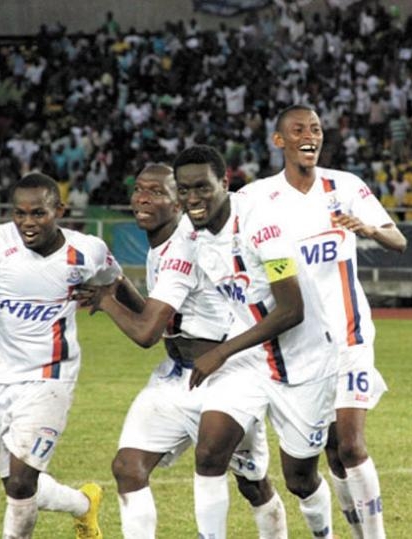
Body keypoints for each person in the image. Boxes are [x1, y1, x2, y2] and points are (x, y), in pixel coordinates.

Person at [75, 163, 288, 538]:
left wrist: (107, 301)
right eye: (139, 189)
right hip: (179, 374)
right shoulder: (161, 244)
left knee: (250, 484)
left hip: (230, 372)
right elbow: (161, 325)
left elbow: (145, 334)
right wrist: (120, 283)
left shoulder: (184, 249)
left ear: (178, 205)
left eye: (157, 192)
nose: (143, 197)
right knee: (128, 467)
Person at [242, 104, 407, 538]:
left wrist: (370, 230)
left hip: (351, 337)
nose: (309, 135)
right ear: (280, 141)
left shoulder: (346, 186)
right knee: (315, 464)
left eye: (315, 128)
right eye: (298, 129)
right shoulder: (256, 198)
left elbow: (398, 239)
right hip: (296, 348)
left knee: (351, 445)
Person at [171, 145, 338, 538]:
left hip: (305, 361)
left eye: (202, 187)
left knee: (300, 479)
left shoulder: (261, 224)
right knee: (210, 452)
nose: (192, 199)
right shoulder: (188, 230)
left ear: (225, 183)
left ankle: (323, 533)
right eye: (183, 190)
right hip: (249, 361)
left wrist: (220, 352)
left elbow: (291, 309)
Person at [0, 172, 121, 539]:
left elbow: (115, 279)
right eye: (20, 213)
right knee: (17, 485)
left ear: (59, 209)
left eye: (38, 213)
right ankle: (85, 505)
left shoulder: (86, 250)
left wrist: (150, 320)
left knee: (23, 481)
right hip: (1, 378)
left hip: (52, 376)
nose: (28, 222)